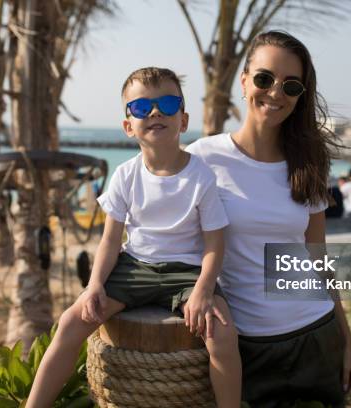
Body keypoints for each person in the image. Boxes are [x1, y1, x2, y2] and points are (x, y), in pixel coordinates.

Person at [26, 68, 241, 408]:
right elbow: (111, 241)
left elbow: (215, 244)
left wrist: (203, 289)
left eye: (168, 104)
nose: (156, 112)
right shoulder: (125, 175)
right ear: (129, 126)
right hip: (135, 267)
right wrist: (95, 284)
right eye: (142, 107)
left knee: (222, 333)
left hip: (186, 272)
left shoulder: (201, 177)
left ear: (183, 120)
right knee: (71, 320)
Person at [187, 31, 351, 408]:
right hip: (249, 349)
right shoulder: (201, 159)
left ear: (301, 95)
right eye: (265, 78)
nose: (275, 92)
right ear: (244, 80)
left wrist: (348, 342)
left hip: (318, 336)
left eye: (291, 85)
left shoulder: (309, 163)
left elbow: (319, 260)